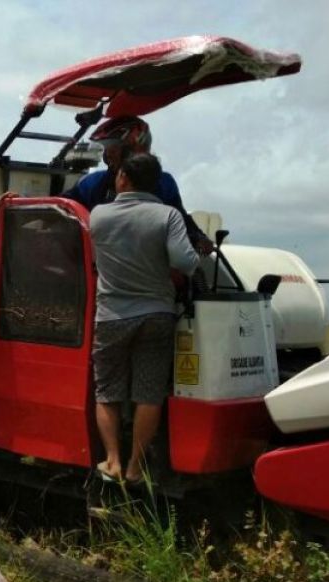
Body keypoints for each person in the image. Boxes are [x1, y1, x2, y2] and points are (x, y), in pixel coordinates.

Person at [90, 153, 205, 484]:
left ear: (123, 177)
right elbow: (186, 262)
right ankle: (136, 467)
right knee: (149, 392)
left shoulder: (99, 215)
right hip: (157, 314)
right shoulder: (167, 215)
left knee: (107, 390)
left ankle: (111, 461)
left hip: (111, 316)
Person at [62, 116, 213, 253]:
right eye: (106, 148)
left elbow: (181, 220)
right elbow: (61, 208)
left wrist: (199, 238)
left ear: (135, 148)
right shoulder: (92, 183)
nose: (108, 154)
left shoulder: (164, 183)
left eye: (114, 147)